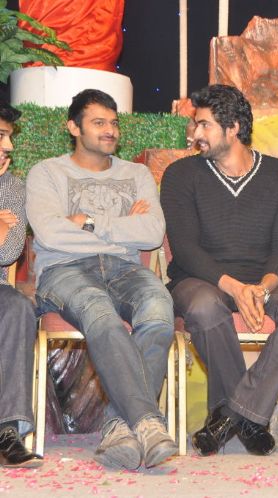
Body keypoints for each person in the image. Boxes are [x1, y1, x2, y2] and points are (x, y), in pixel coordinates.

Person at [160, 84, 278, 457]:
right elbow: (185, 249)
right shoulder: (180, 174)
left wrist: (262, 289)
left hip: (264, 283)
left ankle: (232, 414)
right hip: (201, 280)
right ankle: (250, 420)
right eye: (195, 124)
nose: (195, 133)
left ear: (232, 128)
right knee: (204, 307)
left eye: (204, 125)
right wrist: (235, 287)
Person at [26, 89, 177, 470]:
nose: (110, 130)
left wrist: (89, 222)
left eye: (113, 122)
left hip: (125, 269)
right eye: (98, 122)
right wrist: (125, 226)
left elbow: (152, 232)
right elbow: (50, 234)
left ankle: (118, 427)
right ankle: (146, 422)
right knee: (101, 313)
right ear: (73, 127)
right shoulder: (47, 172)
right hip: (65, 270)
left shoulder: (136, 174)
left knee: (159, 310)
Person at [0, 102, 42, 468]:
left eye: (9, 138)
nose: (8, 147)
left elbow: (8, 250)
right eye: (1, 137)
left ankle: (8, 430)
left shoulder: (13, 188)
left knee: (17, 307)